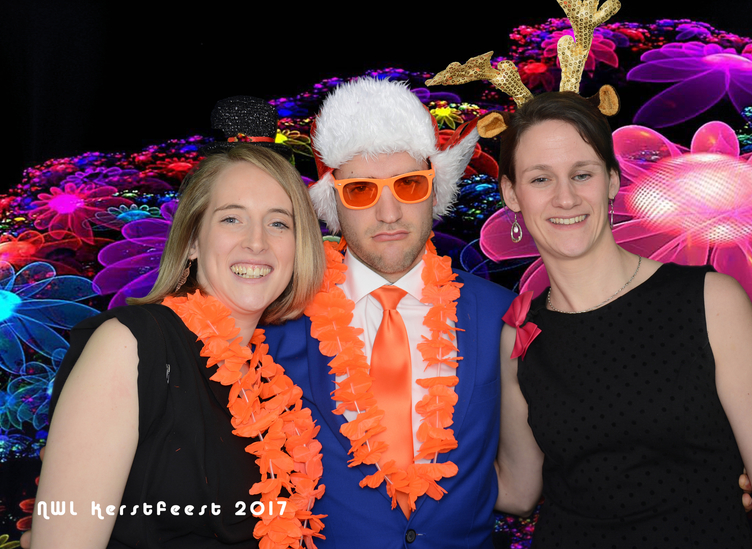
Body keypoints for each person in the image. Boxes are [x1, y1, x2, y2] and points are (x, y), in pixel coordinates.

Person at [493, 91, 752, 548]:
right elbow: (518, 490)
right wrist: (402, 453)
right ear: (511, 193)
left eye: (582, 174)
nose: (565, 198)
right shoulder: (518, 333)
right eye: (541, 179)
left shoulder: (711, 301)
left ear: (611, 180)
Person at [31, 143, 326, 549]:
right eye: (232, 218)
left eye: (278, 223)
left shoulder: (271, 382)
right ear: (191, 241)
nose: (257, 242)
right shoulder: (130, 345)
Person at [262, 77, 516, 548]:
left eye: (409, 184)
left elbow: (520, 486)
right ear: (333, 200)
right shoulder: (277, 324)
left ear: (434, 190)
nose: (389, 213)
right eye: (360, 190)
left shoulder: (500, 314)